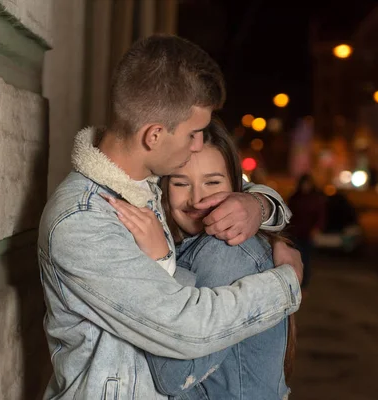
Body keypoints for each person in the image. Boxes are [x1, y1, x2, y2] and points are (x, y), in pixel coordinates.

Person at [38, 34, 303, 400]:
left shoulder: (144, 186)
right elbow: (186, 330)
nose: (198, 145)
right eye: (194, 134)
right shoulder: (84, 221)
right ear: (154, 135)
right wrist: (287, 283)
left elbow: (224, 191)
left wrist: (257, 204)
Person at [110, 118, 298, 399]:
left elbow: (172, 374)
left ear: (236, 186)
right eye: (181, 183)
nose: (197, 199)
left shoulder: (226, 249)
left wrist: (159, 264)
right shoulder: (189, 243)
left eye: (212, 182)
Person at [287, 173, 326, 289]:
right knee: (293, 259)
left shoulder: (316, 199)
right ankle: (295, 284)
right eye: (304, 184)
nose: (305, 187)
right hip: (295, 233)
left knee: (306, 260)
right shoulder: (295, 198)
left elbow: (321, 216)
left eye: (307, 184)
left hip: (308, 234)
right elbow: (289, 215)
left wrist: (316, 229)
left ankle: (304, 285)